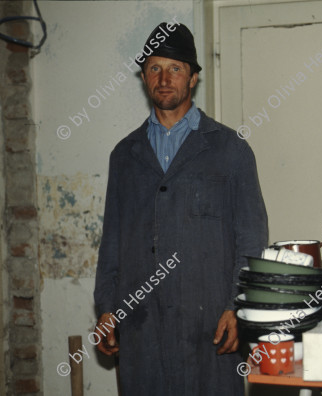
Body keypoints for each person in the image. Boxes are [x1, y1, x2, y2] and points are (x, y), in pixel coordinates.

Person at [93, 21, 268, 395]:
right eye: (154, 68)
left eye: (175, 68)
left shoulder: (230, 150)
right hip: (143, 326)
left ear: (193, 79)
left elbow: (251, 239)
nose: (164, 78)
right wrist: (107, 308)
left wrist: (238, 308)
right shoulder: (125, 155)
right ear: (144, 78)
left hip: (210, 327)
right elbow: (112, 239)